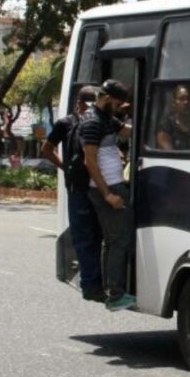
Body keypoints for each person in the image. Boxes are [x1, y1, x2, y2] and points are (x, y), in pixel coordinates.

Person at [42, 85, 103, 301]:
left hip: (100, 186)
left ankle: (98, 280)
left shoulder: (100, 121)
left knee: (99, 235)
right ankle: (90, 283)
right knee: (84, 236)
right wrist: (65, 166)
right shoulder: (65, 123)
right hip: (78, 187)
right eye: (87, 104)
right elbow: (46, 150)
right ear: (79, 103)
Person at [83, 78, 136, 310]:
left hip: (114, 185)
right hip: (107, 189)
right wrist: (107, 194)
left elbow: (127, 131)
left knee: (112, 241)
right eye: (116, 103)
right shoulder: (93, 122)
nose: (118, 108)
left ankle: (111, 290)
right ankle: (115, 294)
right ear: (104, 98)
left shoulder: (106, 118)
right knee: (119, 241)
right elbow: (90, 162)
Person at [156, 84, 190, 151]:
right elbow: (169, 154)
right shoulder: (166, 126)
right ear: (174, 103)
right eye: (181, 99)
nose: (186, 102)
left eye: (189, 98)